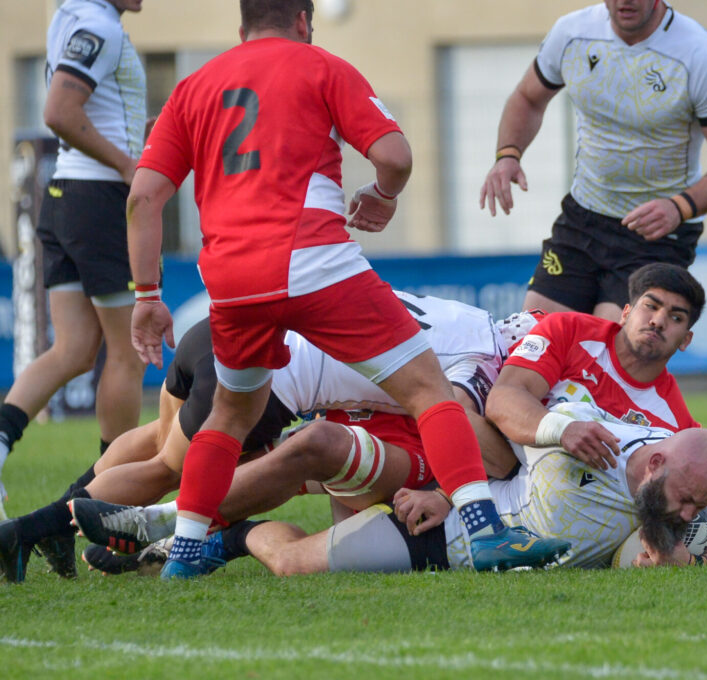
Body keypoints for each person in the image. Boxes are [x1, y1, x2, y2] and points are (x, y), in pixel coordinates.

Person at [125, 0, 568, 578]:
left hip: (231, 280)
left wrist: (145, 295)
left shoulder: (192, 88)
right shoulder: (320, 65)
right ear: (304, 21)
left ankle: (182, 556)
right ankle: (488, 534)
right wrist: (383, 194)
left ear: (242, 27)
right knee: (429, 390)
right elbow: (395, 156)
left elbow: (142, 198)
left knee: (230, 418)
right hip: (312, 259)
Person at [0, 292, 532, 582]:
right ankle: (33, 530)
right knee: (167, 469)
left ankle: (56, 522)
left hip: (219, 330)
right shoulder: (486, 358)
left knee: (152, 442)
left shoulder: (461, 316)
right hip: (264, 375)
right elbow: (458, 413)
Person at [213, 405, 707, 576]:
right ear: (655, 462)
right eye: (685, 499)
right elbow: (489, 441)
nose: (688, 511)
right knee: (289, 565)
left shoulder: (697, 478)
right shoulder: (577, 433)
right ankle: (240, 535)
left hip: (486, 552)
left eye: (696, 504)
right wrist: (447, 496)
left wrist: (697, 564)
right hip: (443, 537)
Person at [479, 0, 707, 321]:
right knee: (532, 341)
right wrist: (508, 154)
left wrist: (679, 207)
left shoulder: (700, 56)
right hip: (582, 221)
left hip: (656, 237)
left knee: (607, 352)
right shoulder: (572, 33)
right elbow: (527, 98)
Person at [486, 262, 707, 535]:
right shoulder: (569, 331)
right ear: (625, 313)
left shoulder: (674, 422)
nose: (658, 321)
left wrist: (670, 548)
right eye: (651, 306)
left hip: (562, 512)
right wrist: (562, 430)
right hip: (501, 463)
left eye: (676, 317)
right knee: (462, 417)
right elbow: (502, 399)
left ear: (685, 340)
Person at [0, 0, 147, 519]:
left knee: (75, 349)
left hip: (62, 196)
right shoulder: (99, 24)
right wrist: (130, 164)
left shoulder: (68, 16)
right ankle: (111, 498)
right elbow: (59, 111)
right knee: (125, 352)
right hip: (97, 199)